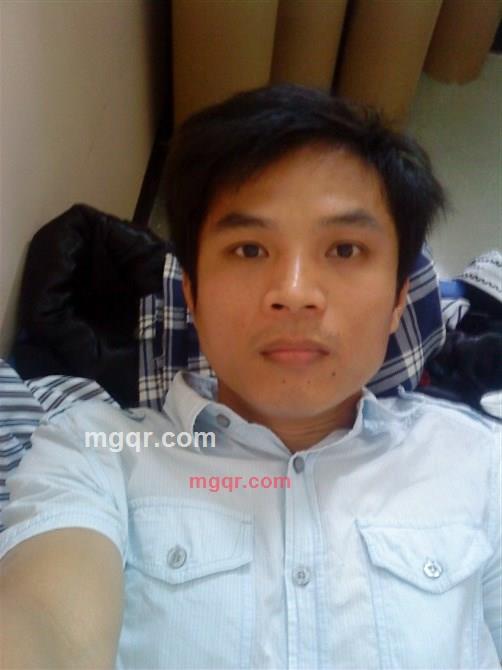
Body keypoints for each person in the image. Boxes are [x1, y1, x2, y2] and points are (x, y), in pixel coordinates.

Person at [0, 84, 500, 670]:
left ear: (397, 301)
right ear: (192, 295)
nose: (294, 292)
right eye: (248, 250)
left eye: (344, 250)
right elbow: (46, 626)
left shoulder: (480, 462)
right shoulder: (96, 452)